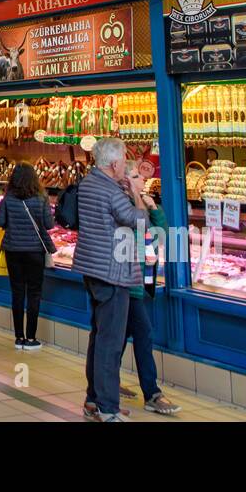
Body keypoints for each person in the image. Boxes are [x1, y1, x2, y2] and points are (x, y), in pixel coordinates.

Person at [72, 137, 148, 422]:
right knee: (110, 341)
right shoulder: (112, 190)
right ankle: (107, 408)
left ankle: (93, 401)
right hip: (113, 270)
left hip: (92, 268)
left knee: (99, 336)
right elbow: (140, 222)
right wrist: (137, 195)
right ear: (115, 164)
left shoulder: (89, 182)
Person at [118, 162, 180, 416]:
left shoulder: (145, 205)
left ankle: (106, 380)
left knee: (119, 336)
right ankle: (152, 393)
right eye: (135, 176)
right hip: (128, 282)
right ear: (125, 181)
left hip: (146, 280)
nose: (143, 179)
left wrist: (155, 208)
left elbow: (161, 236)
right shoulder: (122, 207)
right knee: (143, 334)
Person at [0, 162, 54, 350]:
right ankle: (31, 338)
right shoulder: (41, 197)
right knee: (34, 293)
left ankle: (18, 337)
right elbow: (49, 224)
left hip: (13, 250)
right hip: (35, 251)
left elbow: (0, 222)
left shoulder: (8, 198)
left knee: (18, 292)